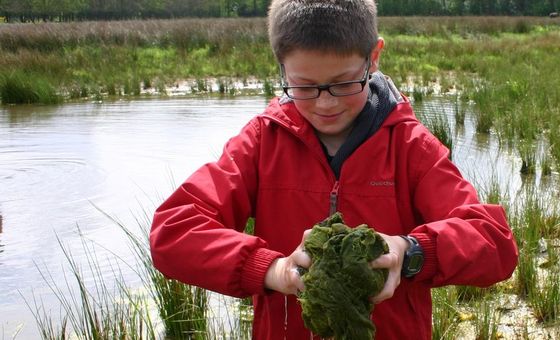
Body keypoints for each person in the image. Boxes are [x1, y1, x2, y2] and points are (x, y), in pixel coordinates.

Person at [149, 0, 518, 338]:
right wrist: (272, 270)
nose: (325, 103)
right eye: (304, 86)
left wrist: (410, 252)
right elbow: (173, 230)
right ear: (281, 67)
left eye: (343, 83)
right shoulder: (262, 143)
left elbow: (494, 242)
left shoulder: (411, 148)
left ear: (373, 58)